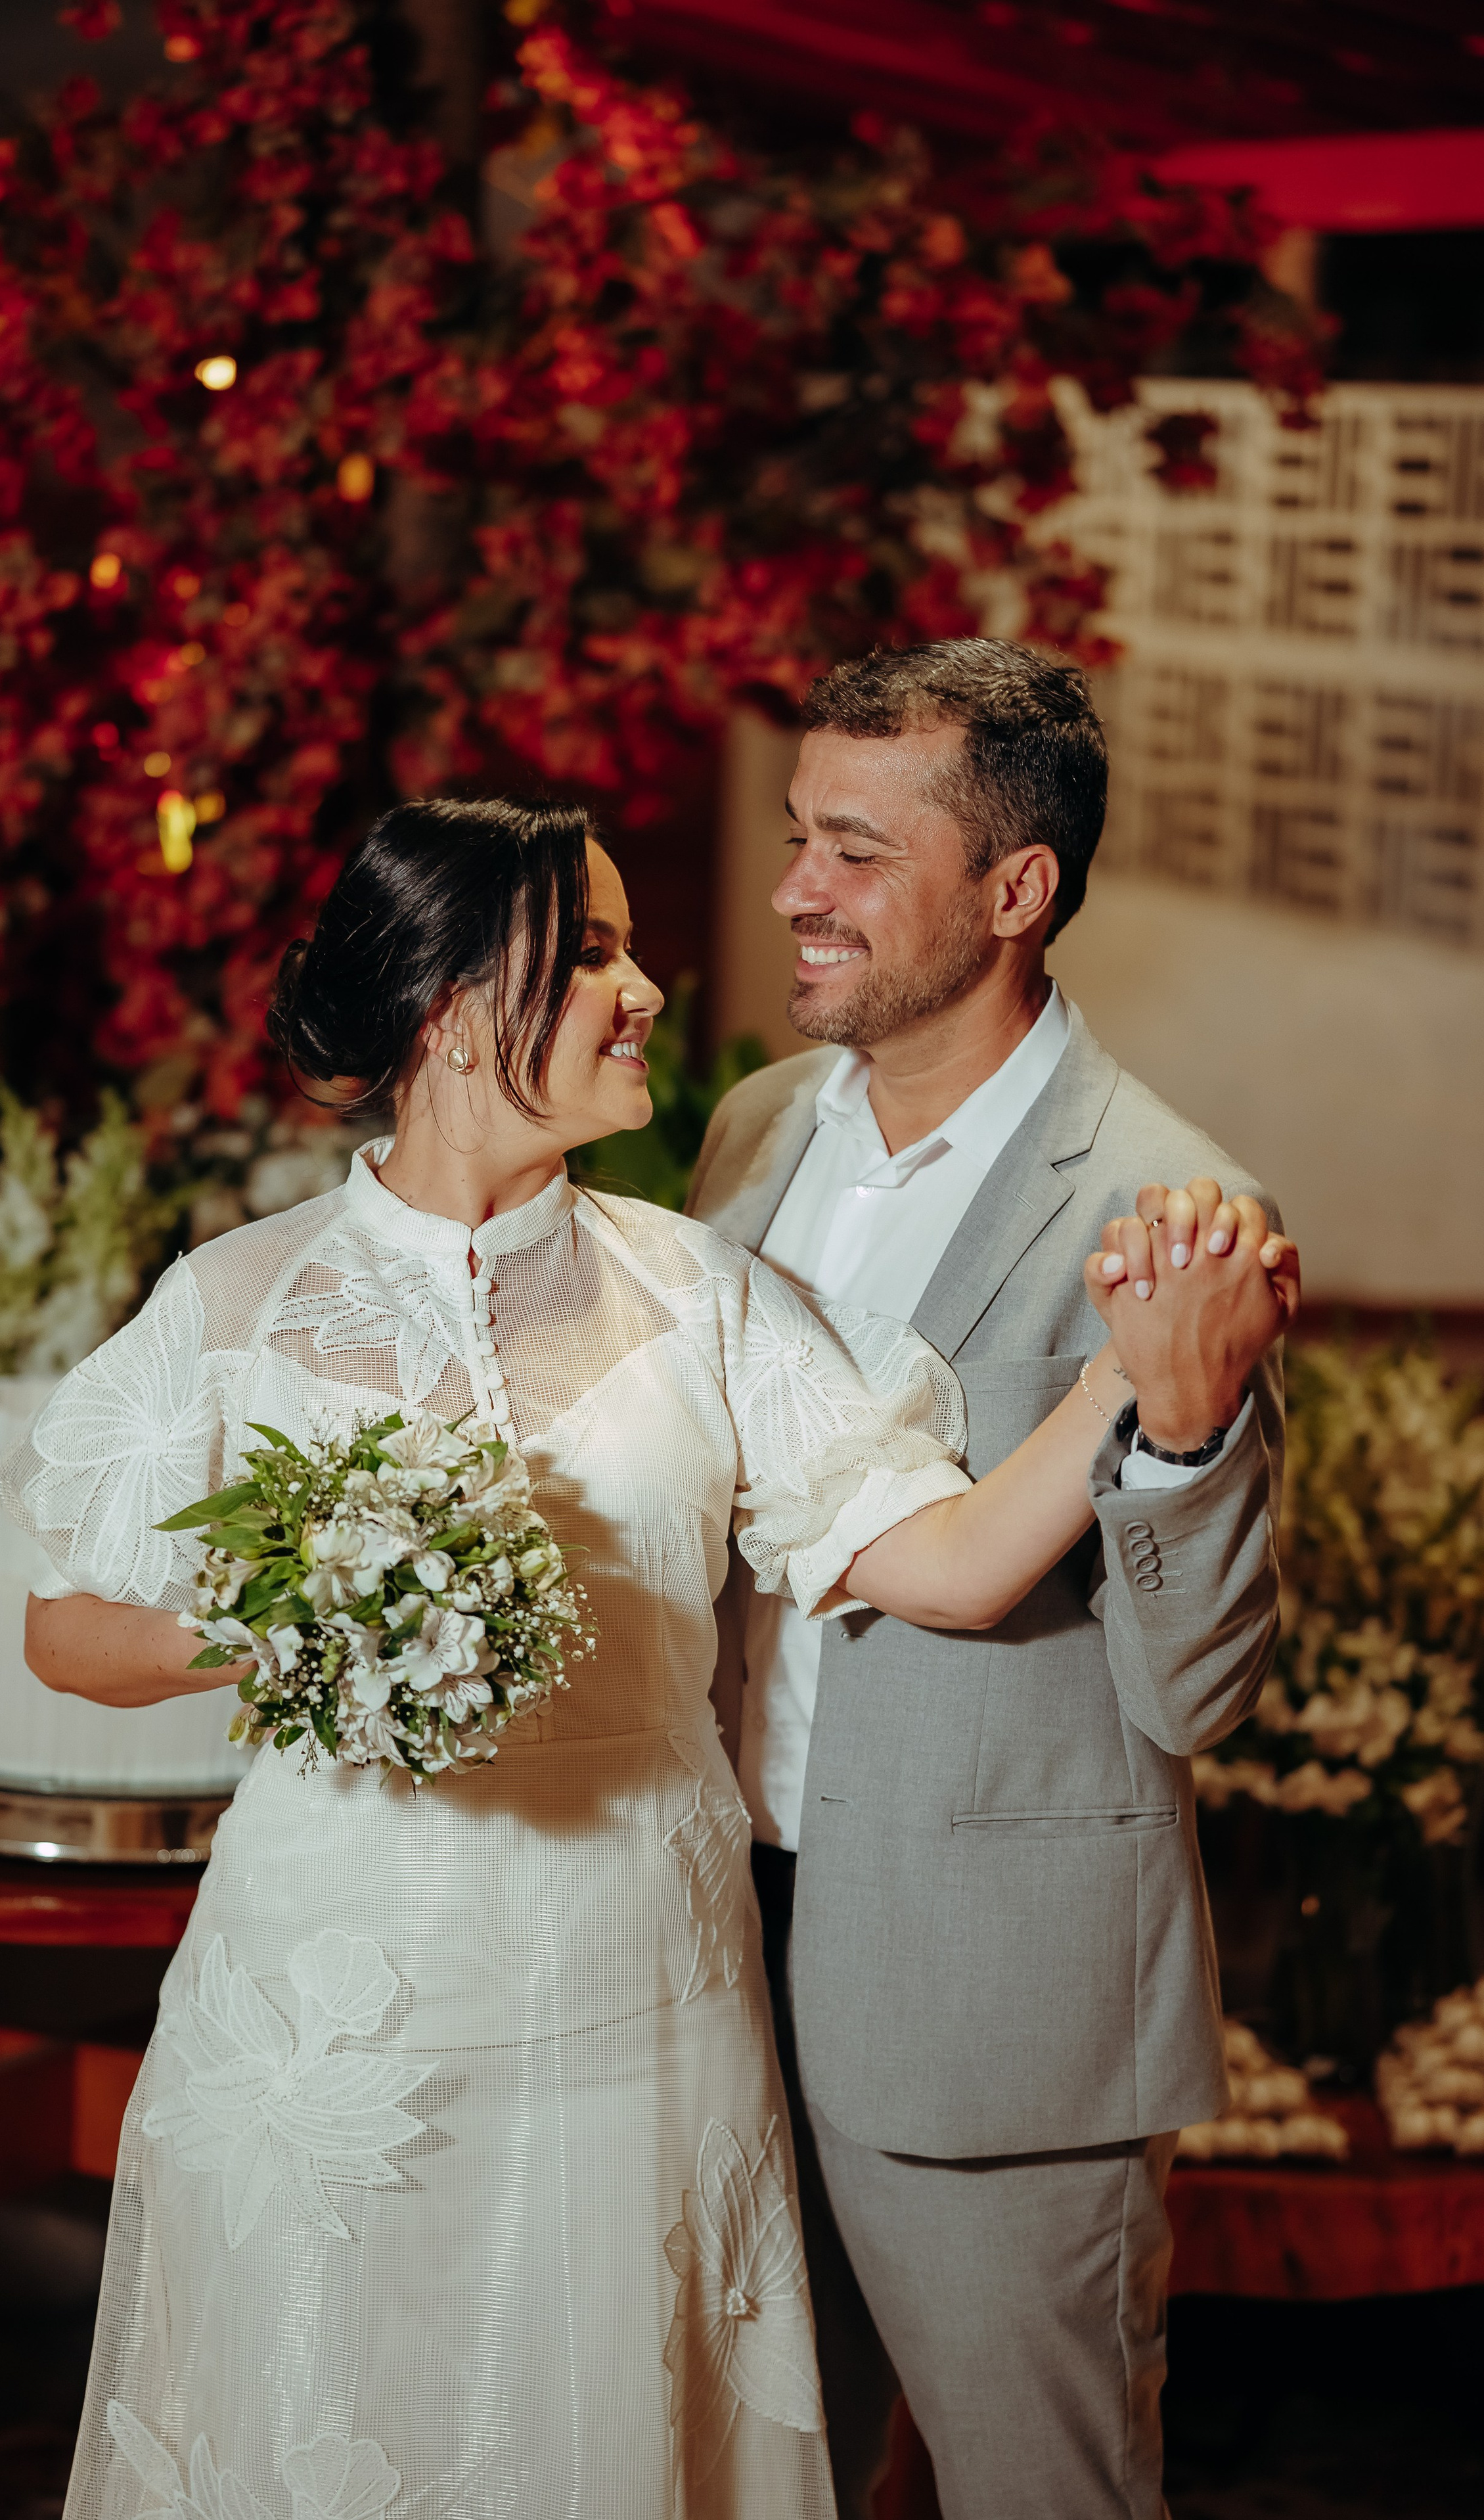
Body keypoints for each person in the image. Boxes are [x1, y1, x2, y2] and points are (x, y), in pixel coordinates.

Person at [3, 795, 1294, 2520]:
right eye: (595, 952)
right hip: (321, 2010)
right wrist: (286, 1615)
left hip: (629, 2009)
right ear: (456, 1007)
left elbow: (956, 1562)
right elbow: (64, 1626)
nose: (650, 995)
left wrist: (1137, 1375)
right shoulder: (235, 1306)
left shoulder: (705, 1298)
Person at [688, 637, 1293, 2520]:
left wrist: (1184, 1432)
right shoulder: (753, 1134)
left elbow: (1199, 1692)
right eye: (801, 836)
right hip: (719, 1949)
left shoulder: (1173, 1207)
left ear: (1016, 890)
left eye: (857, 850)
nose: (799, 889)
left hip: (987, 2011)